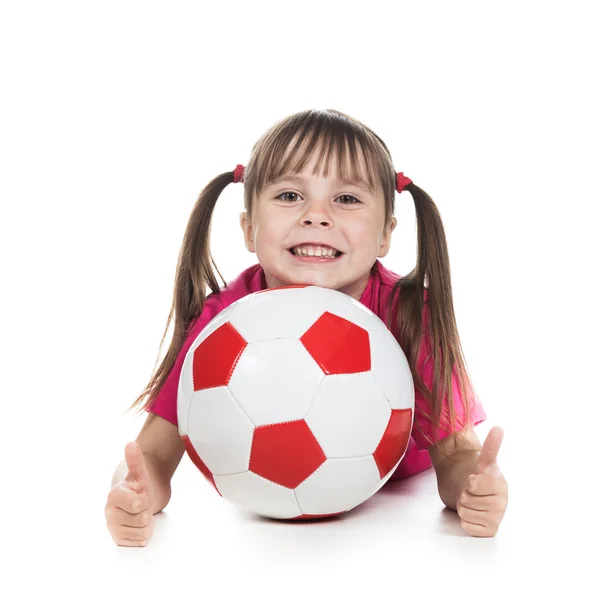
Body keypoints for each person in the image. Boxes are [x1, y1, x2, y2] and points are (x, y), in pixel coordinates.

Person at [105, 108, 509, 547]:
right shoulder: (221, 320)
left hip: (391, 494)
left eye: (347, 199)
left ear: (385, 236)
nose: (316, 216)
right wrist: (135, 492)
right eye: (289, 196)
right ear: (248, 229)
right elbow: (155, 452)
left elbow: (456, 456)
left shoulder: (412, 313)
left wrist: (474, 489)